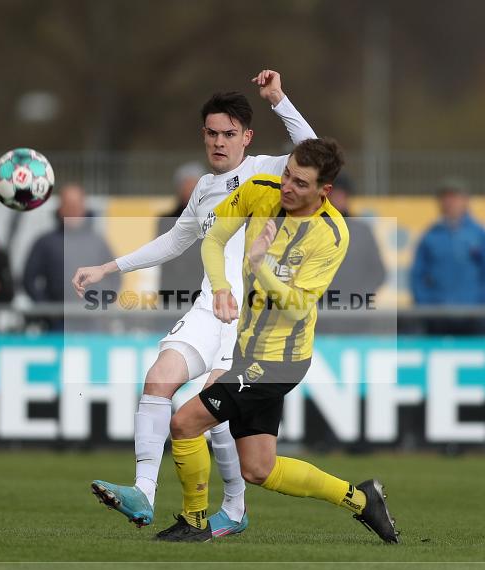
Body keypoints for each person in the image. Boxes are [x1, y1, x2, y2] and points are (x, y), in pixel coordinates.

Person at [73, 69, 316, 538]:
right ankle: (143, 491)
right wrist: (108, 267)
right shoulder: (204, 188)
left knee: (215, 412)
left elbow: (315, 150)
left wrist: (278, 99)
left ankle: (234, 508)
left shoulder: (266, 170)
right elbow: (173, 241)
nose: (219, 142)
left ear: (247, 137)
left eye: (229, 134)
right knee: (158, 379)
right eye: (212, 133)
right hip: (210, 307)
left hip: (253, 319)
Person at [155, 138, 398, 543]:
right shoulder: (260, 189)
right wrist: (220, 287)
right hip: (247, 349)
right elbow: (213, 239)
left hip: (278, 361)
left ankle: (194, 521)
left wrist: (259, 266)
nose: (287, 186)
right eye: (288, 174)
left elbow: (300, 305)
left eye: (301, 183)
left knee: (184, 422)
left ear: (325, 191)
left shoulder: (333, 233)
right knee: (258, 468)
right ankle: (362, 500)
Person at [22, 183, 118, 330]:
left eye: (77, 204)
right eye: (68, 204)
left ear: (84, 207)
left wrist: (102, 305)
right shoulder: (45, 242)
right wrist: (47, 310)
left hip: (93, 322)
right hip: (57, 324)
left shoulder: (98, 242)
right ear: (60, 207)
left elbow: (115, 276)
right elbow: (29, 279)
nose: (73, 209)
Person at [409, 179, 485, 335]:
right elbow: (417, 274)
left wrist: (483, 304)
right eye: (445, 198)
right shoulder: (430, 235)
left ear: (465, 201)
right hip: (438, 315)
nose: (450, 203)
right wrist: (425, 304)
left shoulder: (478, 234)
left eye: (455, 198)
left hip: (473, 315)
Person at [321, 173, 386, 331]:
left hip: (355, 316)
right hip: (319, 315)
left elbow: (378, 272)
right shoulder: (312, 228)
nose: (337, 198)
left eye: (341, 194)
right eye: (333, 194)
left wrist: (359, 299)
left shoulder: (362, 231)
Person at [156, 162, 207, 300]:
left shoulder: (213, 218)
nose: (190, 191)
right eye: (186, 186)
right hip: (173, 294)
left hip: (204, 294)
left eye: (194, 186)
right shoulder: (165, 221)